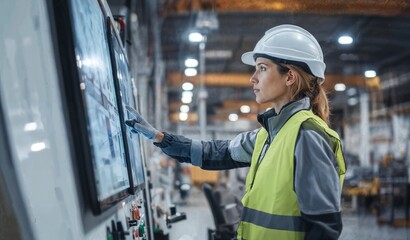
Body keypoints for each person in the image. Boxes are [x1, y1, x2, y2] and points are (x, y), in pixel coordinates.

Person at [126, 24, 346, 240]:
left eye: (262, 68)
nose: (253, 78)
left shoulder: (307, 135)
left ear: (289, 77)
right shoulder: (269, 134)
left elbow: (325, 227)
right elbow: (216, 152)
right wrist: (160, 138)